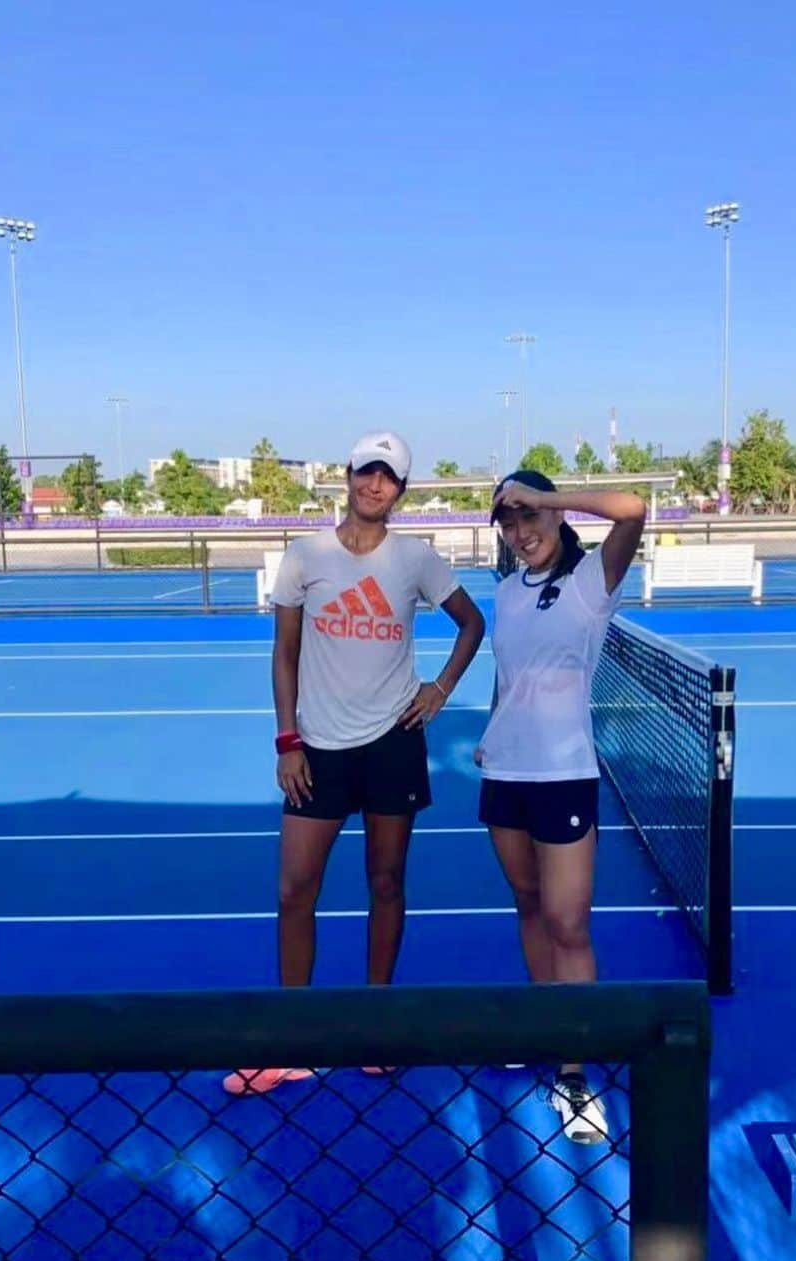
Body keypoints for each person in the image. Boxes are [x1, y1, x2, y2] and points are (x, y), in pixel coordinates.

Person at [225, 432, 485, 1095]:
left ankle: (374, 1021)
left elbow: (471, 623)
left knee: (387, 883)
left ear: (401, 489)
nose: (375, 485)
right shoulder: (303, 557)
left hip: (393, 743)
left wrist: (440, 689)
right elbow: (284, 654)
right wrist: (287, 740)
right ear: (347, 477)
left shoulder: (417, 559)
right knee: (294, 891)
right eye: (367, 473)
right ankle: (291, 1037)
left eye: (389, 477)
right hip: (317, 750)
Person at [475, 470, 645, 1143]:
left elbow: (633, 509)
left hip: (565, 777)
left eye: (529, 517)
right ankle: (547, 1025)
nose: (522, 533)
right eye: (509, 523)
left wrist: (541, 497)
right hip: (506, 776)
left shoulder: (590, 585)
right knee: (529, 908)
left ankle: (573, 1074)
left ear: (553, 515)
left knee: (569, 925)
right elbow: (507, 677)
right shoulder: (505, 593)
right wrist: (492, 733)